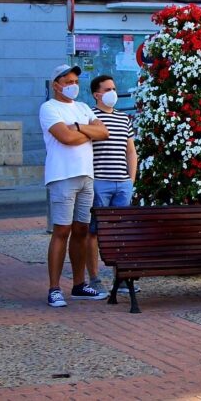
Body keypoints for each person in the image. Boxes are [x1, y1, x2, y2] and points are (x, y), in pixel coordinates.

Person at [41, 64, 110, 308]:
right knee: (62, 231)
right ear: (56, 85)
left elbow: (103, 132)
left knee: (81, 230)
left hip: (86, 175)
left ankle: (79, 284)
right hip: (62, 176)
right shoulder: (49, 108)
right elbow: (65, 138)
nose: (72, 85)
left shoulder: (81, 108)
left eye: (75, 81)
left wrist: (80, 128)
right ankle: (54, 288)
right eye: (67, 81)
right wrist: (87, 133)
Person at [85, 75, 137, 294]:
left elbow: (131, 150)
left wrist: (131, 179)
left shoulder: (124, 118)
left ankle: (121, 277)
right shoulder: (90, 117)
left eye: (114, 88)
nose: (112, 92)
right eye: (107, 89)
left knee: (121, 232)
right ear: (97, 94)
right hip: (99, 182)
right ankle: (94, 278)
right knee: (94, 231)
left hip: (122, 182)